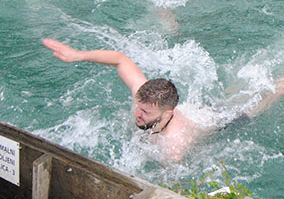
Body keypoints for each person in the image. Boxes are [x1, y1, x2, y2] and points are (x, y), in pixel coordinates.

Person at [42, 38, 198, 161]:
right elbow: (121, 59)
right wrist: (78, 55)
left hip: (205, 123)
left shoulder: (173, 146)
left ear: (167, 114)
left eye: (145, 112)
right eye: (138, 106)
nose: (137, 113)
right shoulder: (147, 99)